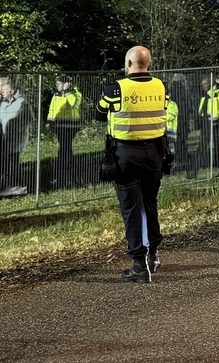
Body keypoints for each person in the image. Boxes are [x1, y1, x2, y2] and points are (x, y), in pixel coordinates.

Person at [95, 46, 170, 283]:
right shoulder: (160, 86)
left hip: (125, 155)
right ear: (149, 63)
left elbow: (99, 114)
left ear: (129, 63)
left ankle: (139, 263)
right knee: (150, 204)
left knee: (132, 209)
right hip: (154, 154)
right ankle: (154, 255)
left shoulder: (116, 88)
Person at [46, 74, 83, 190]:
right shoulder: (56, 95)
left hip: (70, 126)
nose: (57, 86)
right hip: (59, 126)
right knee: (65, 149)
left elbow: (73, 103)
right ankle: (72, 175)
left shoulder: (76, 94)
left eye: (59, 84)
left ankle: (63, 175)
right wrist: (49, 122)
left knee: (64, 149)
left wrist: (66, 91)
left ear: (66, 84)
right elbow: (52, 109)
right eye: (56, 84)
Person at [0, 76, 33, 198]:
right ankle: (9, 187)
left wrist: (13, 129)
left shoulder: (22, 103)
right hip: (4, 139)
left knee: (13, 164)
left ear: (11, 90)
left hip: (16, 140)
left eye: (3, 89)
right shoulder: (3, 104)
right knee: (6, 164)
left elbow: (27, 119)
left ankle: (20, 188)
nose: (2, 91)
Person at [197, 76, 219, 177]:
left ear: (210, 84)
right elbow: (201, 110)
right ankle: (198, 167)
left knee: (218, 146)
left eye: (205, 84)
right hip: (207, 123)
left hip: (218, 124)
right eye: (202, 85)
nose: (203, 87)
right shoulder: (205, 95)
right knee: (202, 145)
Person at [167, 73, 192, 174]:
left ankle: (178, 161)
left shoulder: (173, 87)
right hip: (182, 116)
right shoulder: (182, 88)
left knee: (176, 143)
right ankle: (181, 161)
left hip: (177, 118)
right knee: (181, 141)